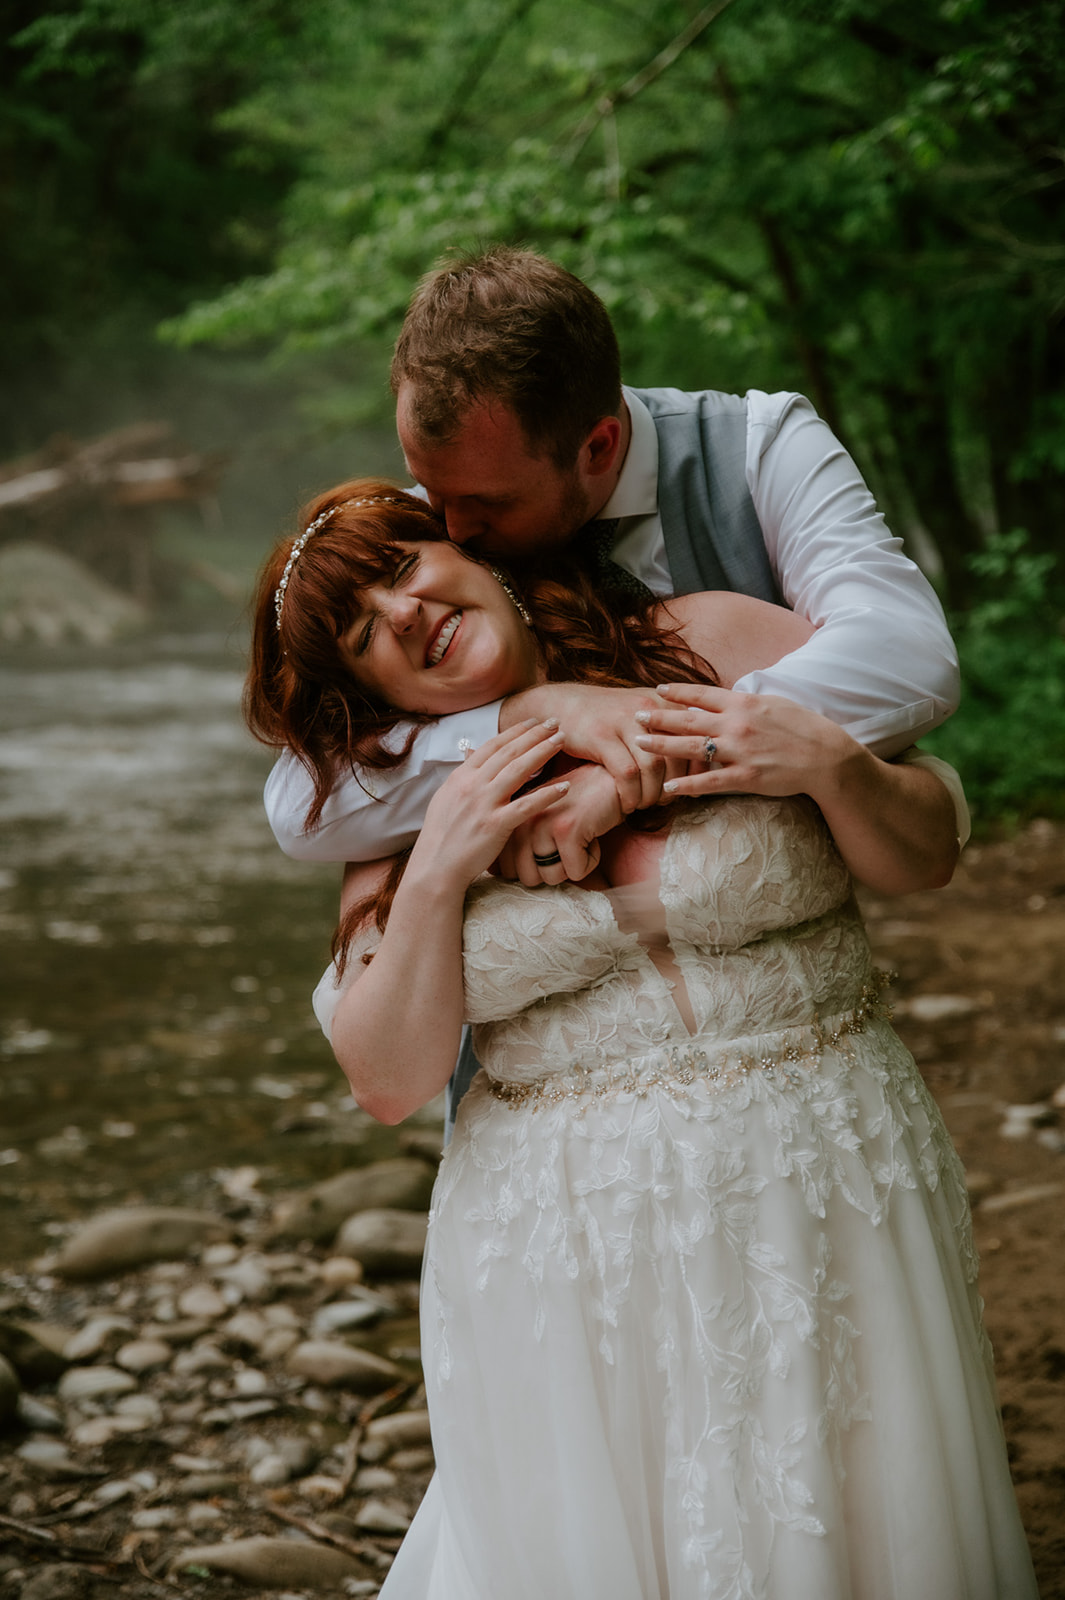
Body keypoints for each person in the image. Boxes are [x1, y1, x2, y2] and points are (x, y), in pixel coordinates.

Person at [246, 486, 1036, 1600]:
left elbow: (925, 851)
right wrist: (439, 870)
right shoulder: (397, 804)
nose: (402, 611)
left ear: (469, 550)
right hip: (567, 1246)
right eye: (361, 631)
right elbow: (386, 1079)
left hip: (825, 1181)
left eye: (403, 566)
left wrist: (828, 765)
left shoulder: (710, 638)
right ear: (374, 690)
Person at [262, 245, 966, 1128]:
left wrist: (628, 764)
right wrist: (536, 713)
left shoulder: (755, 452)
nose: (451, 528)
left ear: (598, 446)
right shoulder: (432, 548)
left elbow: (905, 657)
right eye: (431, 496)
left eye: (481, 504)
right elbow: (300, 803)